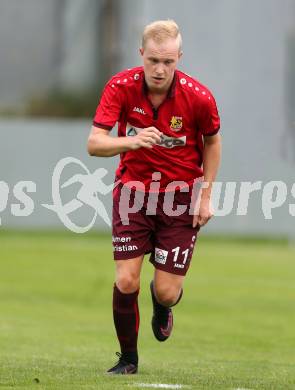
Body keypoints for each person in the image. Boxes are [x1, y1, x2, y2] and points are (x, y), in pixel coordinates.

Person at [88, 19, 221, 374]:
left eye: (168, 62)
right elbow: (94, 143)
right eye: (153, 61)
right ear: (141, 55)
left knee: (165, 291)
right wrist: (131, 140)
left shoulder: (199, 97)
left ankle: (162, 306)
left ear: (179, 57)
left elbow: (213, 142)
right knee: (125, 279)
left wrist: (205, 196)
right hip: (133, 195)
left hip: (180, 200)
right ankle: (128, 359)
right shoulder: (120, 87)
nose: (160, 70)